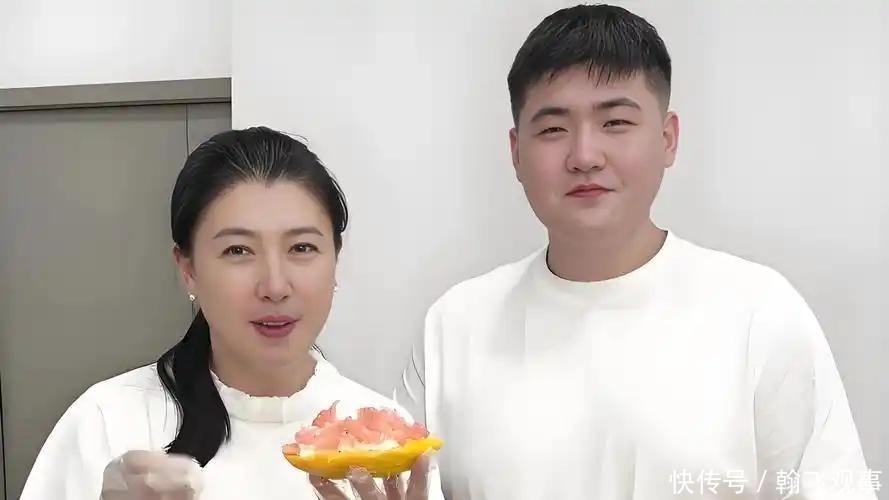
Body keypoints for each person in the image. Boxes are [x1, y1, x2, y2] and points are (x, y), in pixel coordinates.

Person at [395, 4, 875, 500]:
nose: (585, 156)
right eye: (554, 129)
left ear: (667, 139)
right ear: (517, 153)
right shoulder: (453, 325)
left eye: (616, 122)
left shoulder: (759, 312)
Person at [20, 127, 442, 500]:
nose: (275, 286)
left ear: (335, 260)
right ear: (188, 269)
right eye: (238, 250)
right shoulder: (107, 424)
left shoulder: (384, 440)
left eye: (302, 248)